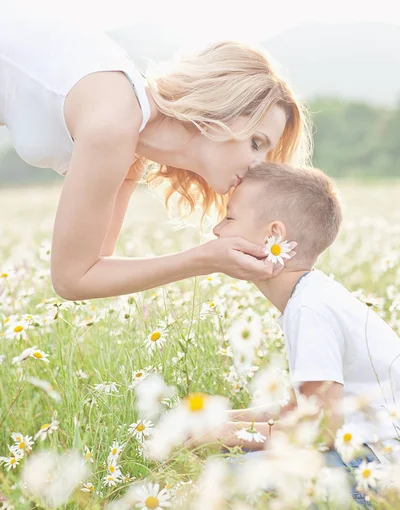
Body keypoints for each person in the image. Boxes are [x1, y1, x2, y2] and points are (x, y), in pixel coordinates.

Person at [0, 15, 311, 301]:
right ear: (221, 109)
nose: (259, 166)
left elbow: (93, 265)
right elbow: (71, 279)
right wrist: (206, 259)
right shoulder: (116, 123)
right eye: (257, 143)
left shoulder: (130, 138)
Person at [186, 162, 400, 473]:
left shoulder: (310, 309)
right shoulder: (313, 296)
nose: (217, 230)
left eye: (229, 218)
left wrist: (226, 435)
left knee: (233, 475)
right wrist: (220, 422)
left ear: (273, 235)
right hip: (369, 453)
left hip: (378, 467)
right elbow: (295, 409)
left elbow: (322, 430)